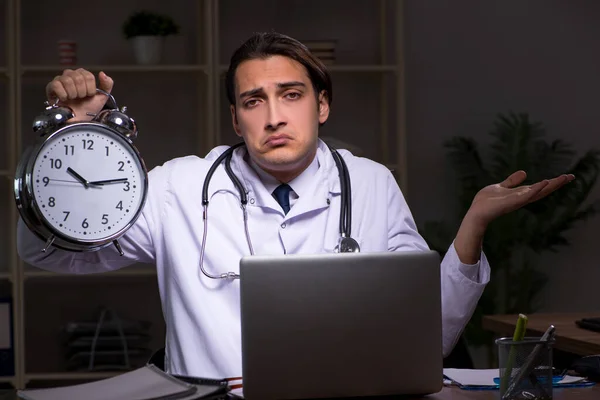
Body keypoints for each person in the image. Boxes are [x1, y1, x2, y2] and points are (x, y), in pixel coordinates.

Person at [17, 32, 573, 380]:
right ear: (236, 119)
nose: (274, 117)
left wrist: (473, 224)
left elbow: (427, 335)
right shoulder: (175, 187)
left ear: (322, 104)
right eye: (253, 101)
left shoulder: (371, 184)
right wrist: (76, 134)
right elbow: (55, 256)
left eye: (291, 94)